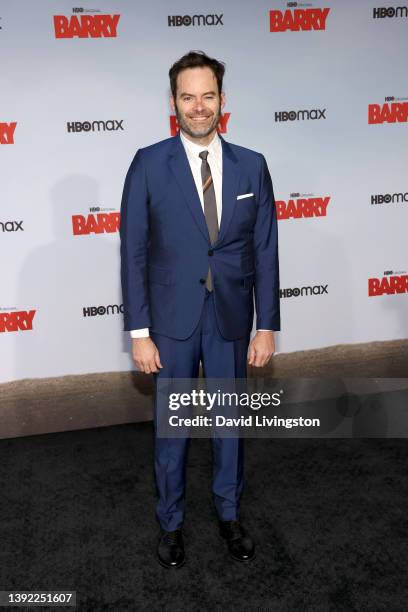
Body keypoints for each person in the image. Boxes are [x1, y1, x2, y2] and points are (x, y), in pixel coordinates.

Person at [120, 50, 280, 568]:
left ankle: (229, 514)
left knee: (230, 423)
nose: (198, 106)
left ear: (222, 100)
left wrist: (267, 325)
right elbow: (135, 252)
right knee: (172, 428)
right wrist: (139, 332)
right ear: (173, 103)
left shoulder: (252, 165)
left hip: (232, 318)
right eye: (187, 97)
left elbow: (265, 250)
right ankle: (170, 523)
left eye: (207, 96)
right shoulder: (148, 162)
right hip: (171, 321)